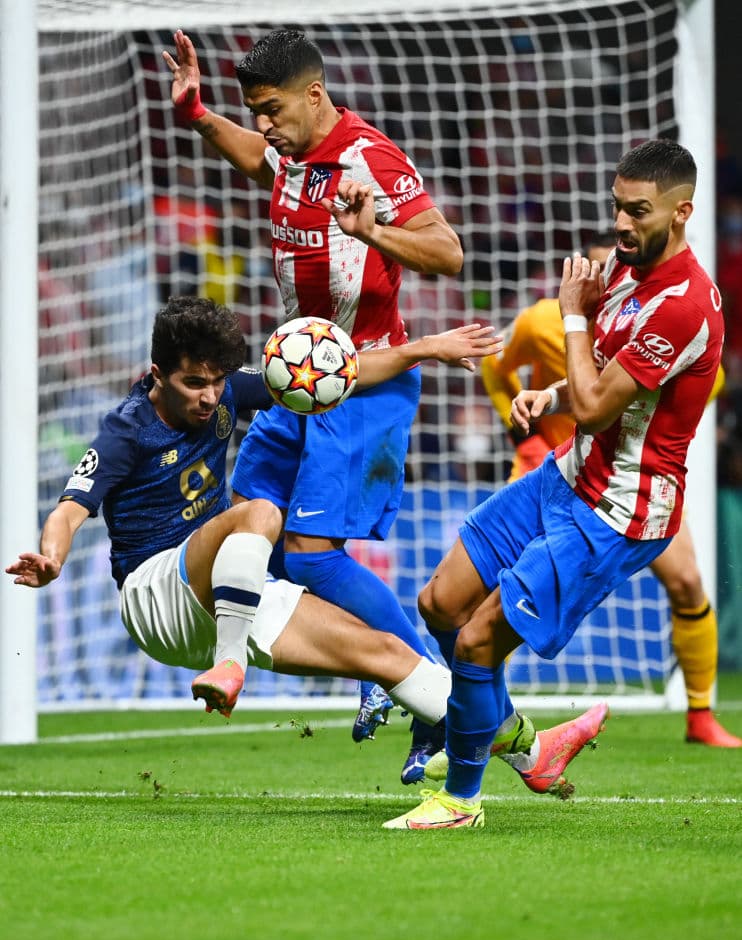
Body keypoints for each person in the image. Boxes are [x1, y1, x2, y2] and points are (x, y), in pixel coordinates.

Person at [384, 139, 726, 829]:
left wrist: (572, 312)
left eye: (638, 211)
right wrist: (551, 395)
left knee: (480, 642)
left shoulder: (685, 305)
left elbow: (603, 404)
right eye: (617, 207)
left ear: (682, 211)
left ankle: (461, 801)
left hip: (616, 512)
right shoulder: (626, 277)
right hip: (566, 474)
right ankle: (528, 747)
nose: (622, 224)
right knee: (440, 602)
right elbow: (601, 390)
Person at [162, 28, 463, 769]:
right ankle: (381, 672)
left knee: (311, 551)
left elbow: (449, 252)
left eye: (270, 109)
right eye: (255, 111)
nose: (263, 124)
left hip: (361, 379)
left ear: (314, 95)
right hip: (299, 381)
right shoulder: (291, 153)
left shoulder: (369, 158)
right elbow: (253, 153)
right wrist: (201, 114)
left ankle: (429, 690)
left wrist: (376, 230)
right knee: (251, 531)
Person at [7, 296, 504, 725]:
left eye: (218, 381)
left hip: (227, 594)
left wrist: (425, 348)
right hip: (154, 596)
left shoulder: (226, 392)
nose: (209, 397)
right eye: (194, 382)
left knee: (385, 655)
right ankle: (230, 664)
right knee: (262, 512)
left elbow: (338, 375)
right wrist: (52, 558)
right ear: (157, 374)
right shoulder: (126, 430)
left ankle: (522, 745)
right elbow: (70, 510)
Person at [480, 238, 740, 748]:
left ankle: (701, 717)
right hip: (550, 469)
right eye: (598, 270)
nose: (608, 282)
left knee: (688, 582)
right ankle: (489, 714)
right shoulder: (542, 321)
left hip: (627, 485)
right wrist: (525, 439)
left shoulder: (659, 327)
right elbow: (496, 368)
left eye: (614, 272)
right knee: (490, 595)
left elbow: (702, 389)